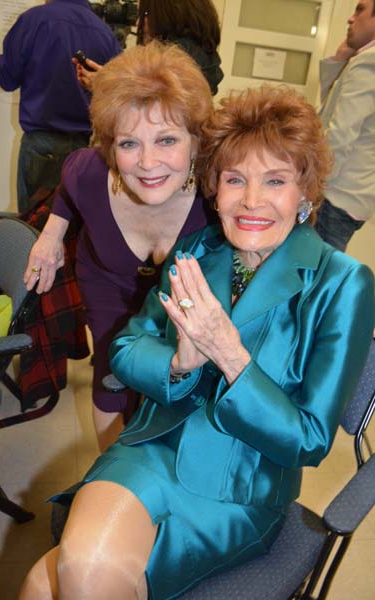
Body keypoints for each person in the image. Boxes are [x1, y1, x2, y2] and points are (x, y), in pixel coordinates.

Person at [19, 85, 375, 600]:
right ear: (215, 187)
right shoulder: (198, 248)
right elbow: (125, 348)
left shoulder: (342, 282)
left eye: (274, 181)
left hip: (241, 484)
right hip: (150, 447)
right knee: (66, 571)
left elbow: (311, 439)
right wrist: (180, 363)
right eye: (235, 180)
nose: (252, 201)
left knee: (52, 582)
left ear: (306, 194)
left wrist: (229, 354)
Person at [23, 41, 215, 451]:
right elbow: (70, 185)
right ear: (110, 147)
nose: (147, 162)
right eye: (129, 144)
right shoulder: (91, 172)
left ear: (197, 141)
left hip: (181, 304)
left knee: (181, 384)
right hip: (106, 282)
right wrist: (51, 234)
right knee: (110, 371)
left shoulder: (216, 191)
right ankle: (112, 470)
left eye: (166, 140)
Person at [0, 0, 121, 212]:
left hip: (42, 149)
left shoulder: (34, 20)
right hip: (86, 151)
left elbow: (6, 77)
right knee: (72, 230)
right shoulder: (104, 31)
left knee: (33, 227)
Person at [315, 0, 375, 251]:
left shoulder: (369, 62)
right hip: (354, 196)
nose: (351, 18)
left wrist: (314, 186)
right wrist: (340, 59)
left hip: (335, 195)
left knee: (314, 275)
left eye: (360, 10)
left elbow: (340, 133)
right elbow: (331, 104)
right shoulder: (363, 59)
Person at [76, 0, 224, 95]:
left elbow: (150, 105)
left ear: (169, 15)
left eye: (144, 14)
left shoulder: (170, 62)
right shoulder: (204, 59)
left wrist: (106, 87)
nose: (137, 23)